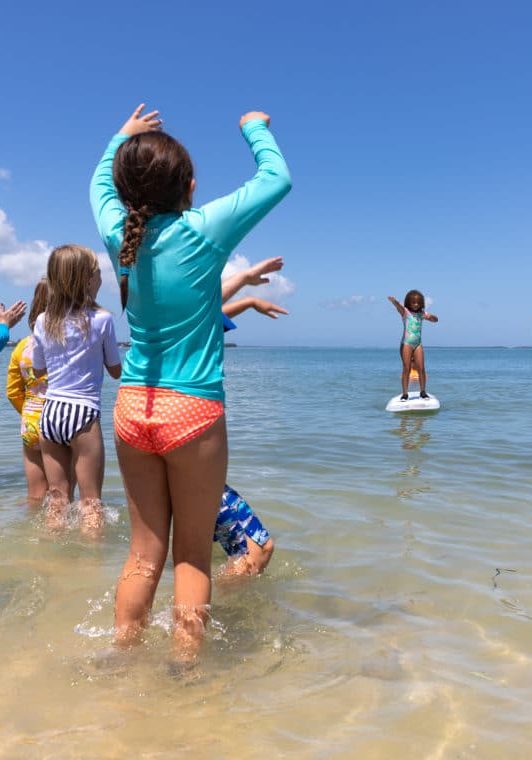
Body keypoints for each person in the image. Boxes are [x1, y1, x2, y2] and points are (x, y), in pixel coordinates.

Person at [90, 104, 291, 657]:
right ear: (190, 186)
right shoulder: (203, 230)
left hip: (132, 409)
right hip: (193, 412)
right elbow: (276, 179)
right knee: (192, 556)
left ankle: (120, 658)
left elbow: (98, 185)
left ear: (129, 192)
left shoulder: (117, 234)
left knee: (142, 554)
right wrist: (254, 126)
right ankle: (185, 675)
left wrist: (119, 138)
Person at [32, 245, 122, 533]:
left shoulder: (44, 321)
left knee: (56, 499)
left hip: (50, 413)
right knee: (91, 503)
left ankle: (52, 562)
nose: (101, 278)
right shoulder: (102, 319)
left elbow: (38, 370)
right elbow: (115, 370)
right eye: (97, 273)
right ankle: (90, 568)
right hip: (83, 413)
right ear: (86, 280)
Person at [213, 258, 289, 577]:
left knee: (184, 552)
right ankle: (220, 609)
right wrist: (244, 280)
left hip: (155, 443)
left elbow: (202, 314)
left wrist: (247, 299)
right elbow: (199, 310)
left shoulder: (162, 328)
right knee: (260, 547)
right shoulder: (192, 321)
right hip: (196, 450)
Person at [6, 279, 50, 505]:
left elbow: (13, 391)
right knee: (62, 495)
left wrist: (27, 411)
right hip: (61, 418)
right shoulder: (68, 344)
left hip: (30, 419)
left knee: (35, 495)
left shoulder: (22, 346)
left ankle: (33, 537)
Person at [388, 290, 438, 400]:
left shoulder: (421, 314)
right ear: (408, 303)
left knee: (421, 368)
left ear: (421, 303)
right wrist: (394, 301)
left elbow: (435, 320)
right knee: (407, 368)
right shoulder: (405, 312)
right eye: (413, 302)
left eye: (417, 303)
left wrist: (432, 317)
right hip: (406, 344)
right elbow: (399, 307)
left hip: (418, 344)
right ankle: (405, 394)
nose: (415, 304)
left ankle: (423, 392)